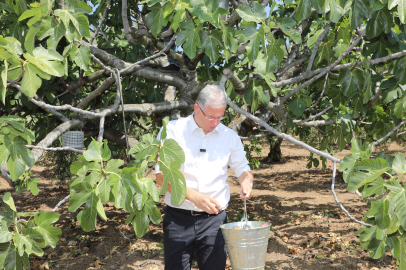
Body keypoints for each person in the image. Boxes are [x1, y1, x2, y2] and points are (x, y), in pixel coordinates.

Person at [155, 84, 254, 270]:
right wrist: (194, 197)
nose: (215, 122)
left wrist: (246, 182)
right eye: (210, 117)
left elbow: (243, 169)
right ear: (196, 108)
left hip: (214, 221)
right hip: (178, 219)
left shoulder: (229, 136)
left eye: (220, 117)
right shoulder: (173, 131)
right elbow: (161, 177)